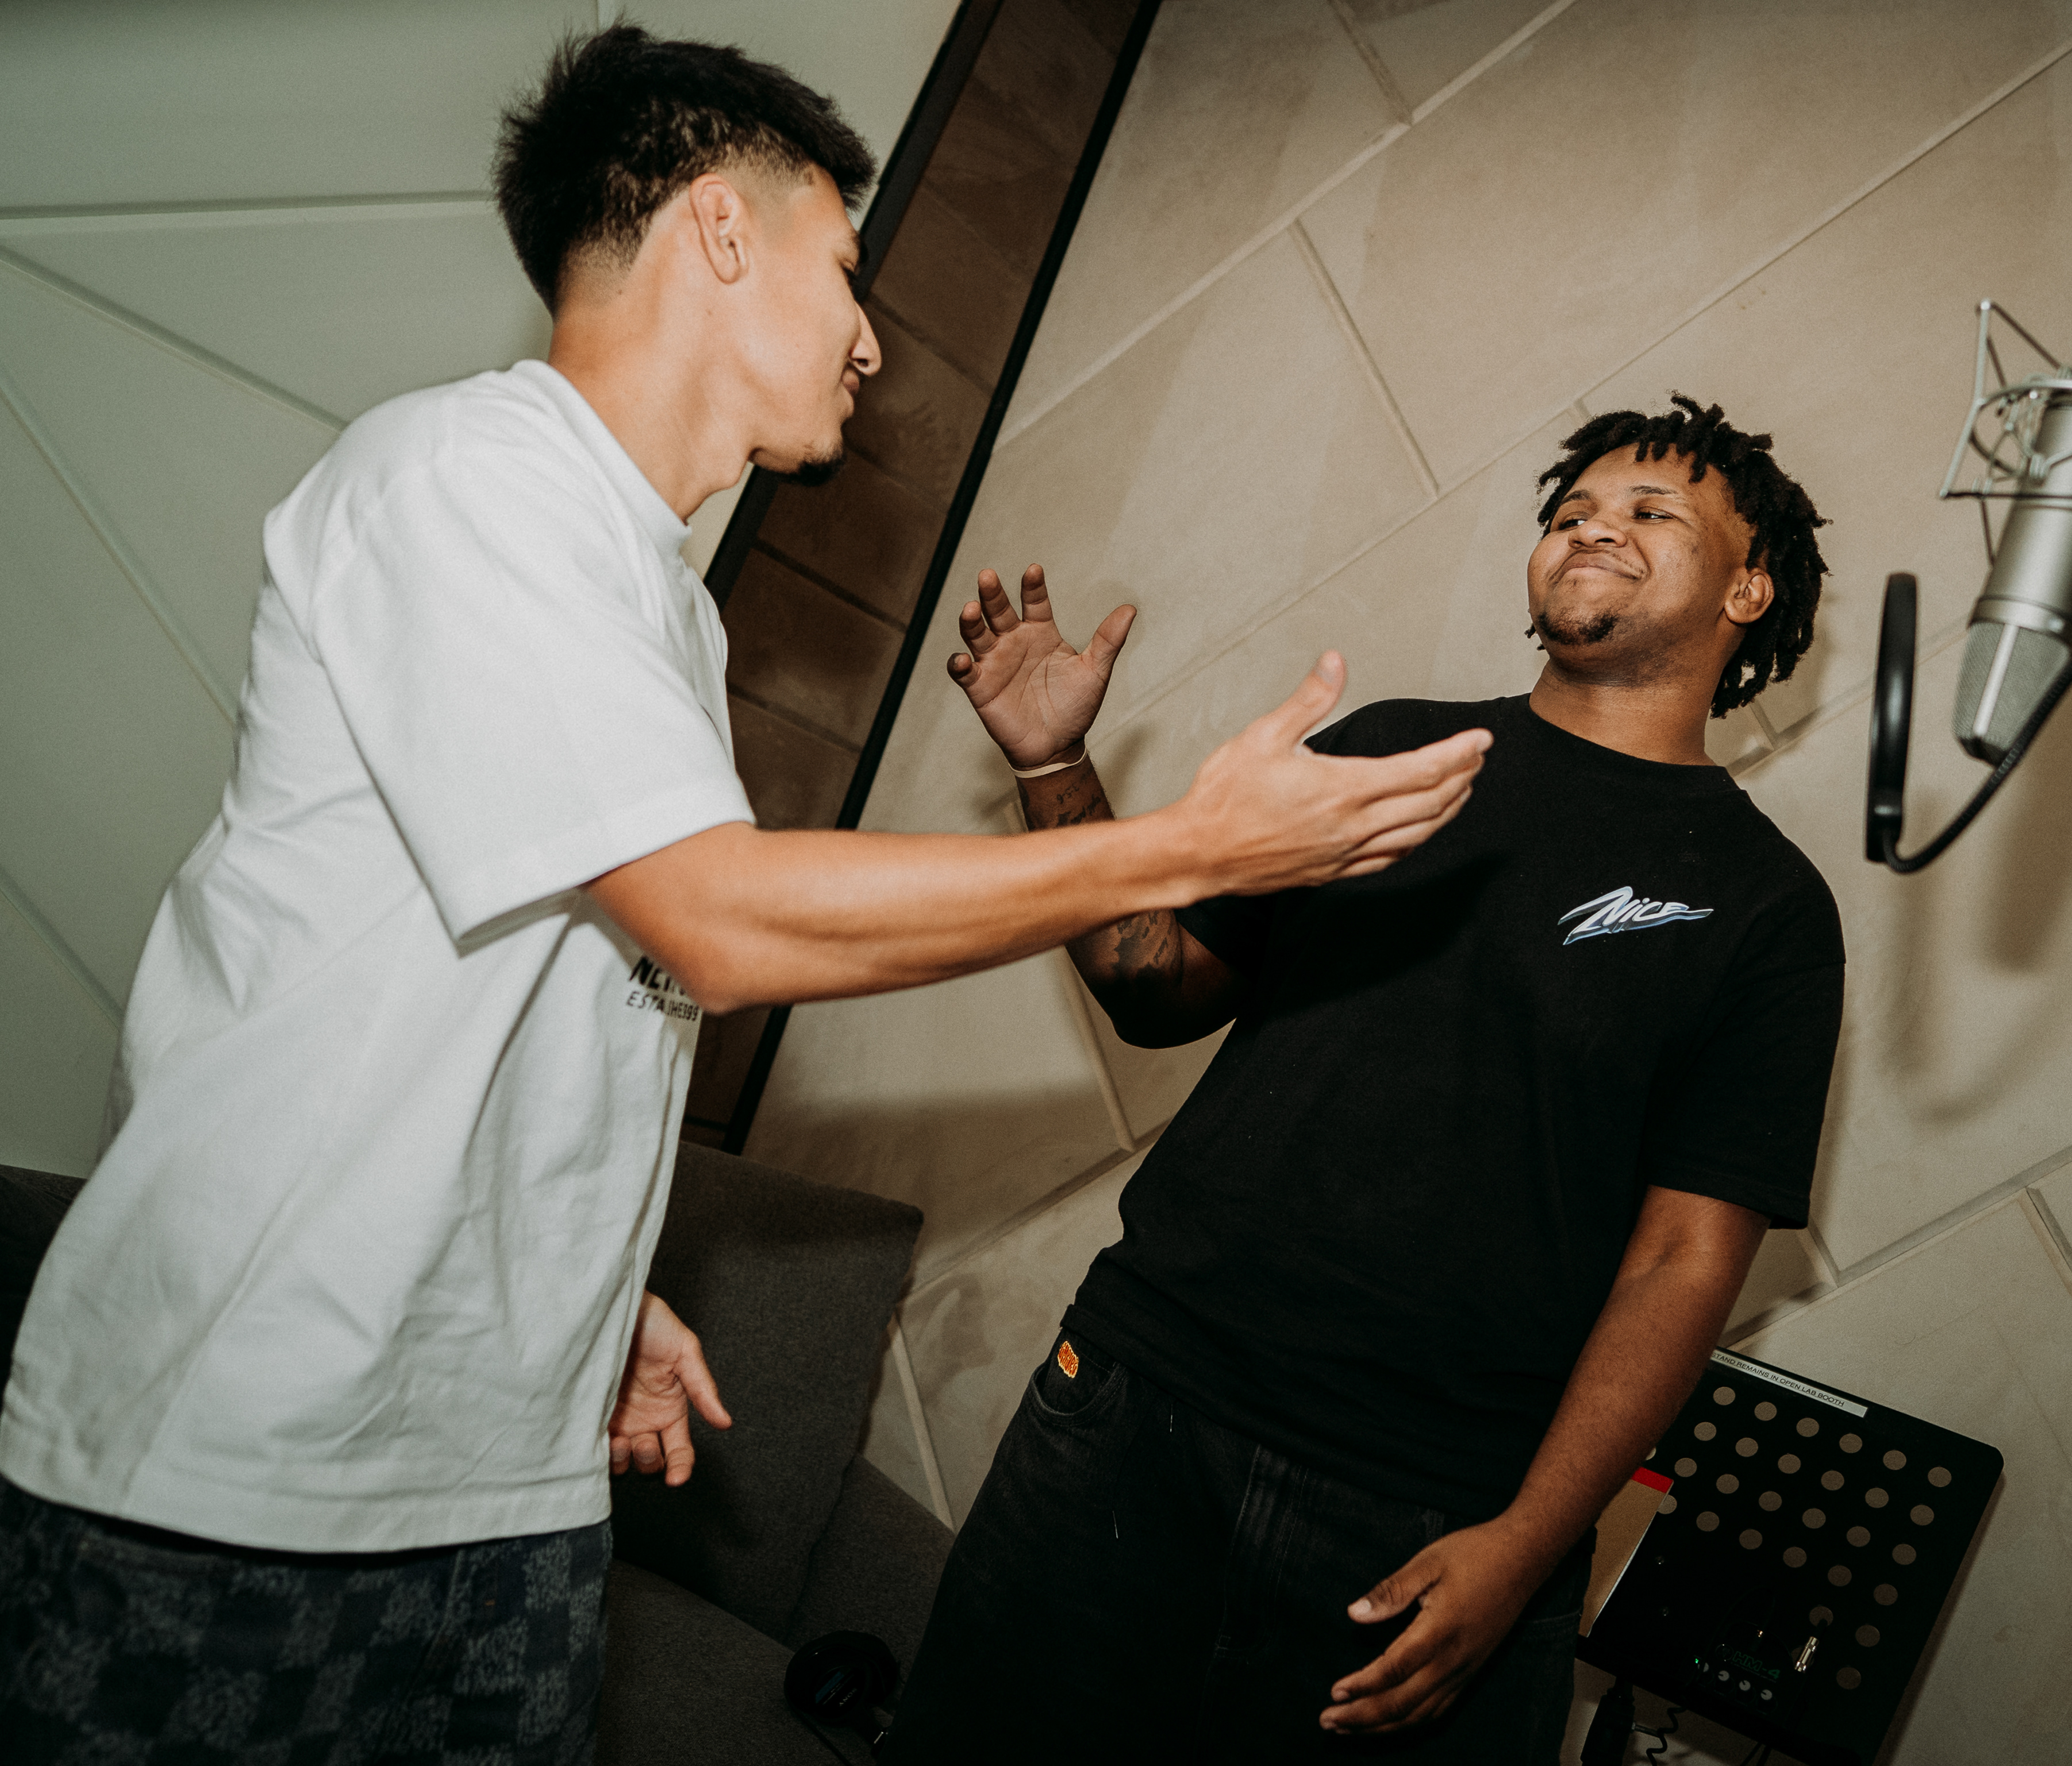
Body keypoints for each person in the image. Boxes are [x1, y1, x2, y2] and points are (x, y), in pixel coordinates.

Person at [0, 27, 1488, 1763]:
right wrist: (1190, 848)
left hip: (503, 1489)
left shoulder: (668, 610)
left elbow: (551, 998)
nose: (872, 338)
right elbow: (718, 920)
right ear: (720, 226)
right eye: (845, 267)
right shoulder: (465, 474)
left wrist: (581, 1298)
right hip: (242, 1471)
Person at [883, 396, 1845, 1763]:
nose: (1593, 526)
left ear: (1749, 589)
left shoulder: (1765, 908)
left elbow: (1685, 1261)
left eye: (1652, 511)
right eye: (1575, 508)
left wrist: (1529, 1544)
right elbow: (1156, 984)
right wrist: (1053, 763)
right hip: (1138, 1405)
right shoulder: (1390, 748)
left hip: (1435, 1509)